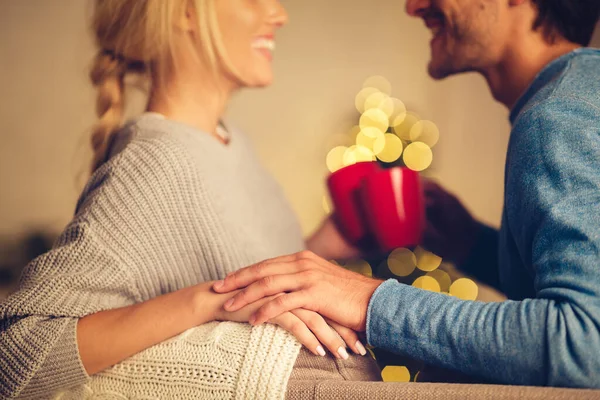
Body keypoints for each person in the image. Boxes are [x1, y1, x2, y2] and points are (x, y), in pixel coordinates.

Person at [214, 0, 600, 388]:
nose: (413, 7)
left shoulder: (557, 116)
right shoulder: (579, 94)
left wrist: (368, 300)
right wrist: (475, 245)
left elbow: (584, 344)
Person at [0, 1, 376, 398]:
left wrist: (319, 246)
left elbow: (213, 263)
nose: (279, 14)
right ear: (185, 11)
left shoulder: (230, 142)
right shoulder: (155, 160)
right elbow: (18, 355)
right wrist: (208, 301)